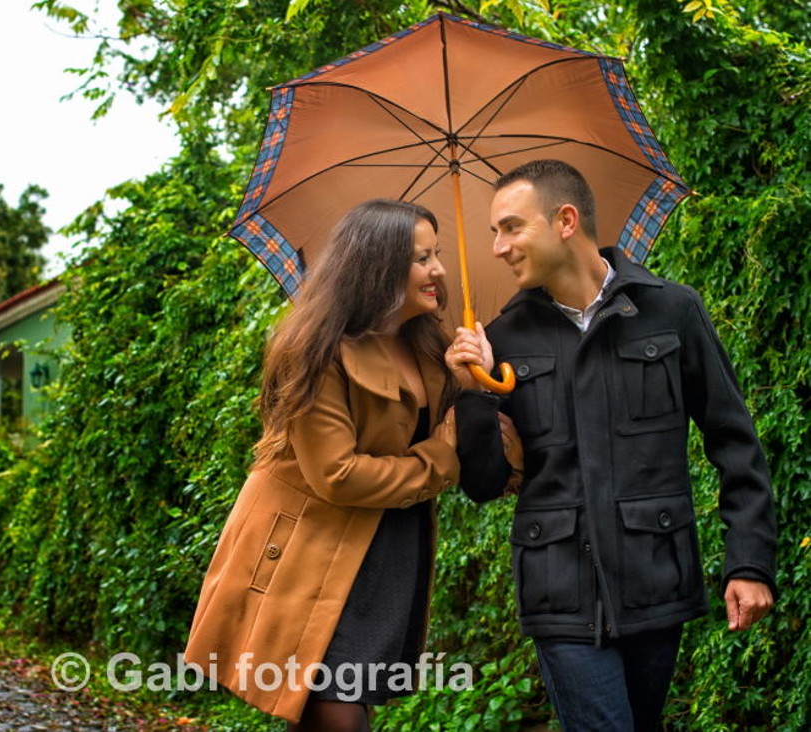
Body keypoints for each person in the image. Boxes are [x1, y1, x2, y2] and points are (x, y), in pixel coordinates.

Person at [452, 159, 778, 731]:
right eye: (493, 233)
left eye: (511, 227)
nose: (499, 247)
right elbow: (481, 485)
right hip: (559, 595)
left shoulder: (672, 310)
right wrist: (474, 392)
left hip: (656, 580)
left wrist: (748, 561)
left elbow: (734, 441)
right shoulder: (501, 339)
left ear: (566, 221)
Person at [183, 198, 515, 731]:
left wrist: (468, 379)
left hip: (388, 548)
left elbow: (449, 435)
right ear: (377, 266)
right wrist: (442, 455)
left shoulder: (428, 345)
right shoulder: (316, 350)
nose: (438, 271)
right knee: (335, 709)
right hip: (313, 556)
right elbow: (338, 475)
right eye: (421, 258)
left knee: (326, 709)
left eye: (436, 255)